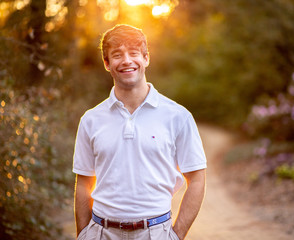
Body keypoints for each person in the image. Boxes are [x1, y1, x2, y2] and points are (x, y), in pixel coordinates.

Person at [72, 24, 207, 240]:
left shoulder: (178, 116)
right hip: (101, 232)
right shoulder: (90, 120)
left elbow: (197, 179)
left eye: (134, 53)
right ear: (107, 63)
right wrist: (83, 235)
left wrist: (176, 235)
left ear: (146, 58)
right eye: (117, 55)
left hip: (155, 232)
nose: (126, 61)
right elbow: (84, 183)